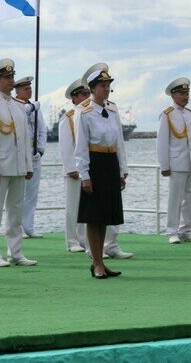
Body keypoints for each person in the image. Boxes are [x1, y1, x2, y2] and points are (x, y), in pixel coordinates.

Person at [0, 58, 36, 267]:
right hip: (0, 167)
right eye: (7, 77)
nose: (11, 80)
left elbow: (25, 138)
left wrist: (28, 165)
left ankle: (16, 252)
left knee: (16, 211)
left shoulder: (19, 106)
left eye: (12, 76)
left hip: (18, 166)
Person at [74, 67, 127, 278]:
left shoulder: (113, 110)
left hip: (110, 162)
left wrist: (122, 170)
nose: (106, 89)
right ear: (92, 88)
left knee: (105, 215)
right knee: (93, 216)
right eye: (102, 86)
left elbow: (119, 141)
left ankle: (101, 261)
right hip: (94, 162)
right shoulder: (83, 111)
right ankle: (96, 262)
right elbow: (80, 145)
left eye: (108, 86)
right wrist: (84, 175)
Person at [156, 77, 191, 244]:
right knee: (175, 197)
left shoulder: (190, 114)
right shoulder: (167, 114)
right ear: (173, 95)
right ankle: (172, 230)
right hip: (176, 163)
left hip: (190, 162)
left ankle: (187, 229)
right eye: (181, 93)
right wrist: (164, 165)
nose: (185, 97)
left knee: (190, 196)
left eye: (186, 93)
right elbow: (162, 142)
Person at [13, 76, 48, 238]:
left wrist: (40, 149)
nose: (29, 90)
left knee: (32, 193)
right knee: (19, 193)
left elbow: (42, 129)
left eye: (30, 87)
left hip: (34, 152)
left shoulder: (35, 107)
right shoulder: (14, 105)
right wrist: (30, 108)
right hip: (20, 153)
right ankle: (17, 226)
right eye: (25, 88)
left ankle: (29, 226)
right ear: (17, 91)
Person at [60, 78, 89, 252]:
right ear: (74, 98)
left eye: (88, 93)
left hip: (87, 169)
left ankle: (83, 239)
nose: (87, 97)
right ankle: (71, 241)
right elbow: (66, 145)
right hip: (74, 170)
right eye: (83, 94)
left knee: (86, 207)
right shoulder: (68, 117)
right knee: (73, 206)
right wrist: (71, 168)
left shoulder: (89, 115)